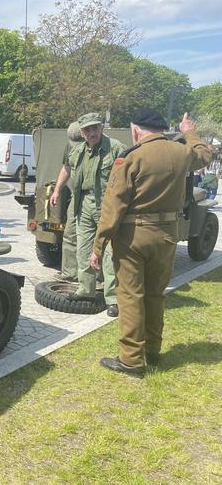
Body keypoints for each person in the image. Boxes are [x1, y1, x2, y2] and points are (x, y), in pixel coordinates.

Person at [90, 110, 211, 378]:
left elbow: (113, 208)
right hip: (167, 235)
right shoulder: (181, 153)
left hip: (133, 237)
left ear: (136, 131)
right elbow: (205, 154)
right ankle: (153, 351)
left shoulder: (130, 158)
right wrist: (188, 130)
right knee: (156, 294)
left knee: (131, 296)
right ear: (161, 129)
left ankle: (132, 359)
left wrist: (98, 246)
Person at [50, 113, 126, 317]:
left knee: (110, 252)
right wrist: (57, 190)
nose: (91, 133)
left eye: (95, 128)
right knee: (83, 250)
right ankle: (86, 290)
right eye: (87, 130)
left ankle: (113, 298)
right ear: (82, 133)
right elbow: (66, 168)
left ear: (101, 128)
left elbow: (130, 175)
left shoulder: (116, 148)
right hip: (83, 205)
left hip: (107, 207)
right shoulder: (79, 151)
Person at [53, 121, 84, 283]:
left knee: (96, 238)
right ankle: (70, 273)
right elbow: (66, 167)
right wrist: (57, 190)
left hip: (97, 199)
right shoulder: (70, 146)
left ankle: (96, 278)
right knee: (70, 234)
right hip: (77, 195)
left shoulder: (106, 147)